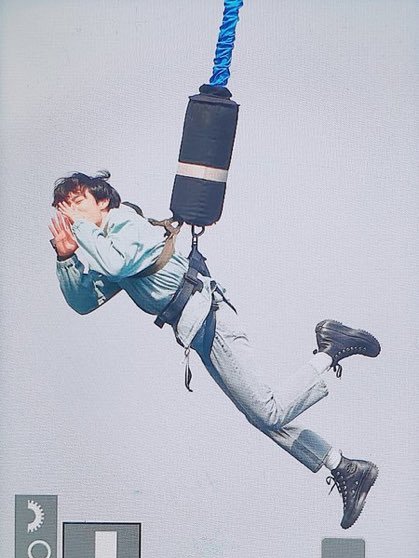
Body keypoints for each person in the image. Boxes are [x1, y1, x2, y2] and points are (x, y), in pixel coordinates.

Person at [49, 170, 381, 529]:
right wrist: (66, 259)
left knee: (268, 411)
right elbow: (84, 302)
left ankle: (332, 349)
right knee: (262, 416)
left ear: (102, 201)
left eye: (77, 203)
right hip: (200, 331)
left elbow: (116, 263)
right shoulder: (106, 244)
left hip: (211, 320)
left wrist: (80, 231)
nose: (72, 214)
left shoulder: (125, 225)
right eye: (65, 209)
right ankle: (344, 467)